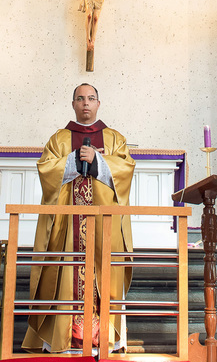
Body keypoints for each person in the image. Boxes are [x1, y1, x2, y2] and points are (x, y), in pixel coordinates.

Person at [23, 83, 135, 353]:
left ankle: (102, 340)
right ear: (73, 104)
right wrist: (74, 159)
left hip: (103, 226)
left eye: (91, 98)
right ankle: (63, 338)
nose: (86, 103)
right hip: (67, 228)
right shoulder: (60, 139)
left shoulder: (114, 138)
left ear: (99, 103)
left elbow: (126, 169)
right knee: (65, 278)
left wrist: (98, 161)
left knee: (104, 277)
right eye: (80, 98)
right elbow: (46, 170)